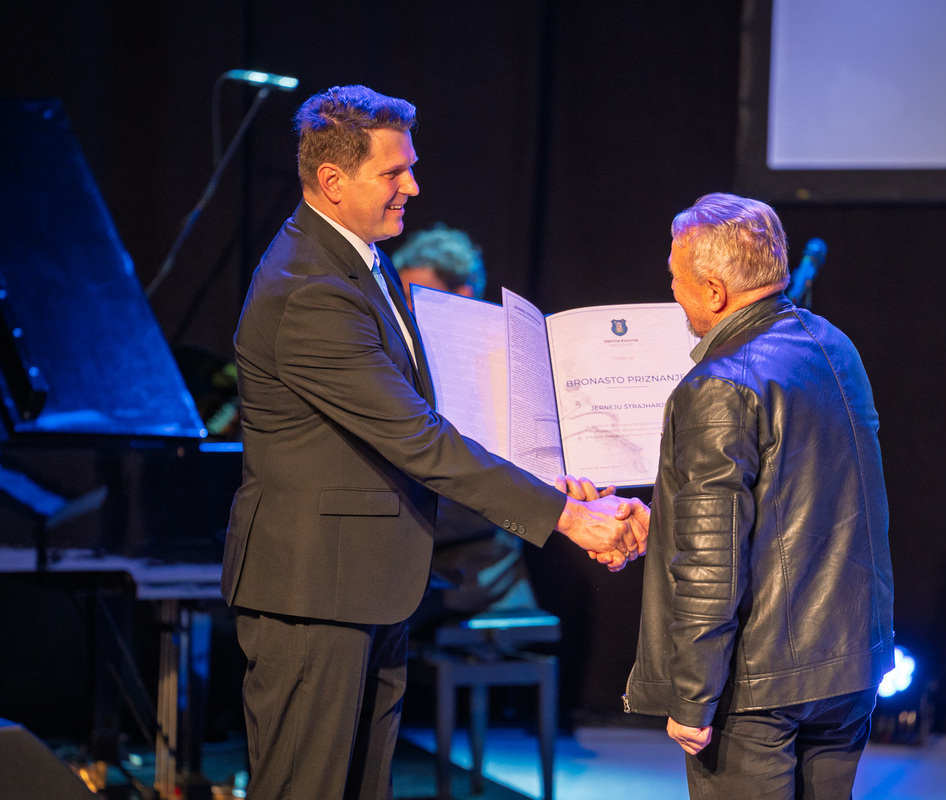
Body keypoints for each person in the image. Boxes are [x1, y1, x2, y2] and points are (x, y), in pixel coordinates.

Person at [220, 85, 645, 800]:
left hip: (365, 585)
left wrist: (550, 476)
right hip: (314, 592)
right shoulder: (310, 289)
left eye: (410, 167)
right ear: (332, 180)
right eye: (394, 172)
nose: (413, 186)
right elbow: (415, 436)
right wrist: (566, 518)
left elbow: (433, 412)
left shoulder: (362, 262)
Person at [618, 193, 894, 799]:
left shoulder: (719, 384)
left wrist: (693, 695)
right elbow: (792, 502)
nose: (672, 292)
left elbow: (711, 561)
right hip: (847, 667)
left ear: (715, 291)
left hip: (757, 687)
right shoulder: (833, 346)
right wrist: (662, 521)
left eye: (676, 278)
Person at [390, 225, 538, 634]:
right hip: (415, 561)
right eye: (402, 298)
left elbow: (493, 496)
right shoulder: (401, 366)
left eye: (419, 297)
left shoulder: (498, 371)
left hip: (477, 571)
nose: (407, 310)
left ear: (464, 296)